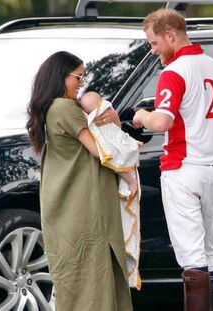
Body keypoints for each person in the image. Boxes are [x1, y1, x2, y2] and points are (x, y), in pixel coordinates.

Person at [133, 8, 213, 311]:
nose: (153, 50)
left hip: (182, 170)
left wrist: (141, 116)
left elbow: (161, 123)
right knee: (210, 254)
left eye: (154, 43)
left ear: (170, 35)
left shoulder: (173, 72)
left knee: (192, 257)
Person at [26, 51, 133, 311]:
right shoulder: (64, 107)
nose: (81, 84)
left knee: (77, 279)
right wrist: (116, 123)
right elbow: (100, 150)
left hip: (65, 205)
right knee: (94, 279)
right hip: (83, 206)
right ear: (61, 76)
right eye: (78, 77)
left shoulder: (50, 108)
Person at [79, 91, 142, 290]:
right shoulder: (100, 126)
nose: (109, 110)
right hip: (121, 182)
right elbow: (114, 156)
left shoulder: (97, 123)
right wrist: (131, 181)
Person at [80, 91, 139, 199]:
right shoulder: (107, 108)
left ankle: (131, 182)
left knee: (118, 163)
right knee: (119, 164)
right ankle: (131, 183)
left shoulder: (99, 114)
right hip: (119, 144)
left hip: (116, 145)